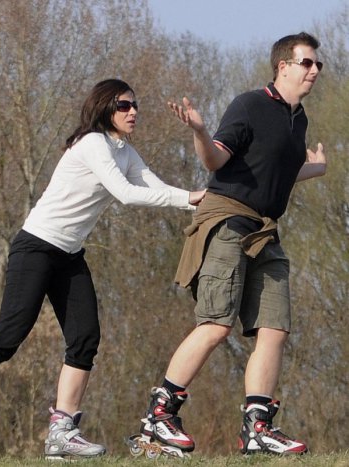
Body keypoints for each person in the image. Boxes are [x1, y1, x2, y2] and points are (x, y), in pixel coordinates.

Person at [0, 78, 206, 460]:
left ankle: (63, 430)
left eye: (135, 106)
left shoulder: (124, 151)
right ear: (103, 110)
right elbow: (128, 195)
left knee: (85, 339)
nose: (132, 112)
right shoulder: (94, 144)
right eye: (123, 106)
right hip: (35, 248)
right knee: (9, 335)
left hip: (68, 255)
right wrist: (191, 198)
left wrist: (201, 202)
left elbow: (155, 187)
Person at [133, 32, 327, 458]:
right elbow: (215, 161)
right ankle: (160, 414)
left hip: (264, 230)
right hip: (227, 220)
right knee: (216, 324)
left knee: (274, 329)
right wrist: (200, 130)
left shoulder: (300, 120)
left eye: (317, 65)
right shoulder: (250, 104)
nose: (315, 70)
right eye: (307, 63)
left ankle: (257, 428)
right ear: (283, 66)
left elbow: (275, 174)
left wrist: (315, 169)